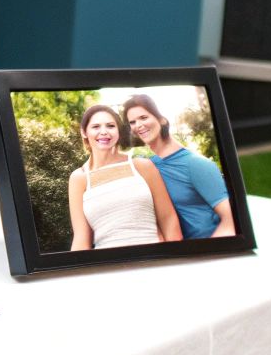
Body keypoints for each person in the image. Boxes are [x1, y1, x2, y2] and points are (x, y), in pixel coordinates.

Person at [67, 104, 181, 250]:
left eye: (110, 126)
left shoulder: (142, 166)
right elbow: (82, 239)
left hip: (154, 259)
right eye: (96, 127)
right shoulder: (79, 178)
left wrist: (174, 260)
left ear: (118, 131)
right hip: (109, 267)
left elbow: (168, 220)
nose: (104, 132)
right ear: (84, 132)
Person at [122, 94, 235, 239]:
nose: (138, 125)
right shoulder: (149, 166)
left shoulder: (196, 164)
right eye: (132, 122)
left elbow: (230, 221)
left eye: (144, 118)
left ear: (161, 119)